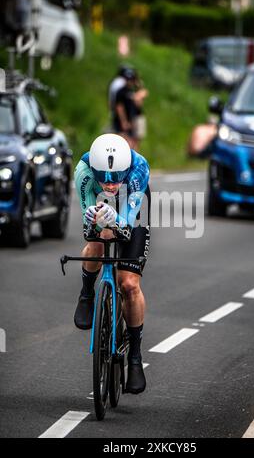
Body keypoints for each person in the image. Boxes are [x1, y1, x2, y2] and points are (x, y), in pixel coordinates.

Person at [74, 133, 151, 395]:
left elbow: (128, 224)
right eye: (103, 178)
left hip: (132, 209)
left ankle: (135, 357)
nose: (109, 185)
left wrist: (117, 218)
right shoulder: (83, 172)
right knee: (99, 238)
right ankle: (87, 293)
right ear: (93, 171)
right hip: (100, 208)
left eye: (116, 177)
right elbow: (88, 225)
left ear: (126, 170)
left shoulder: (139, 169)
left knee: (129, 284)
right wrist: (93, 219)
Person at [113, 67, 148, 151]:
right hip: (125, 120)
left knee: (134, 142)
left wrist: (138, 85)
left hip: (133, 119)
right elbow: (119, 107)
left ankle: (134, 160)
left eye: (131, 79)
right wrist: (124, 121)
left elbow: (139, 102)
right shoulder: (121, 91)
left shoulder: (133, 90)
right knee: (125, 141)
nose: (129, 81)